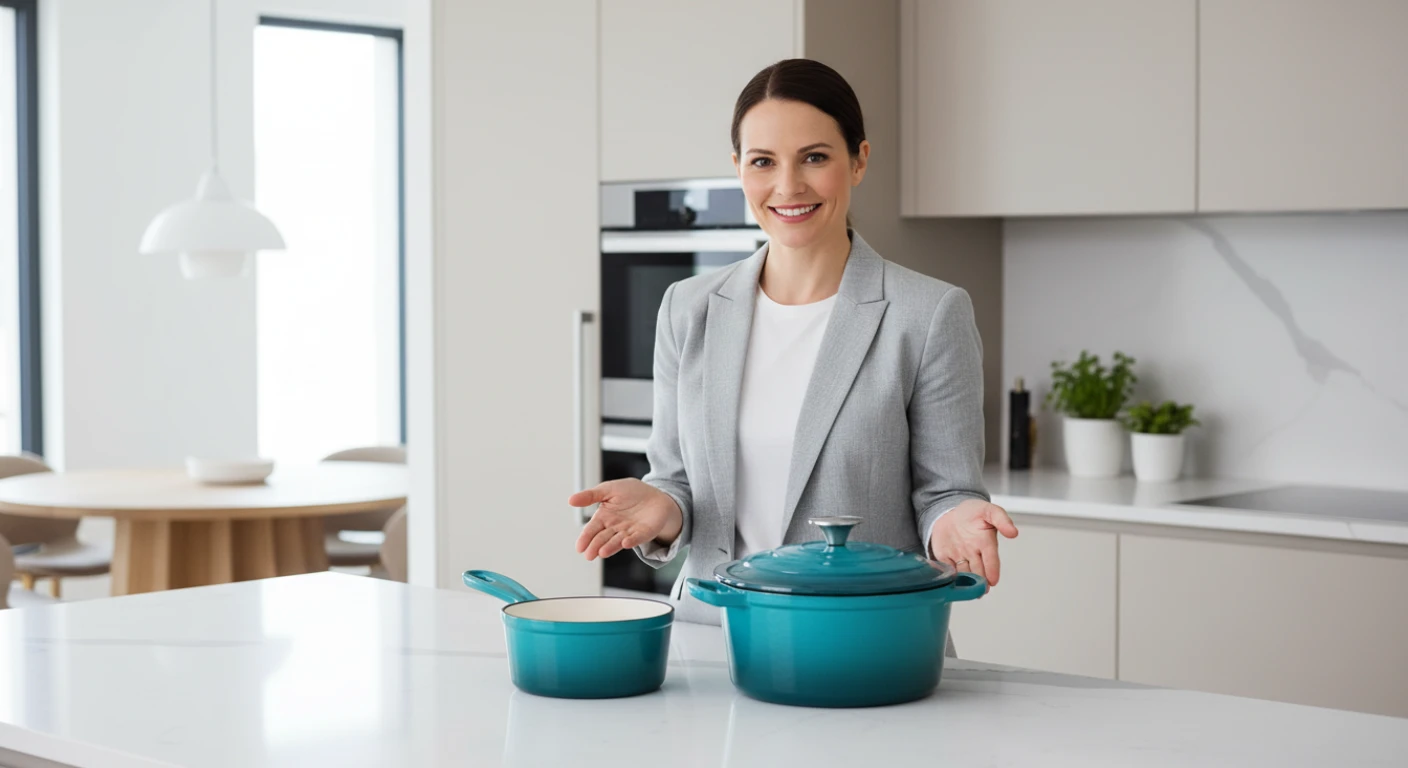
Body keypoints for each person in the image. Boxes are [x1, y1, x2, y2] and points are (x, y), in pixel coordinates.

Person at [569, 59, 1017, 626]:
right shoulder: (689, 307)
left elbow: (944, 492)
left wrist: (954, 518)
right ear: (738, 168)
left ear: (858, 160)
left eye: (814, 157)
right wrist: (662, 506)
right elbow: (676, 479)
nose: (788, 186)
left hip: (861, 640)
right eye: (763, 162)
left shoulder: (928, 314)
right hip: (709, 639)